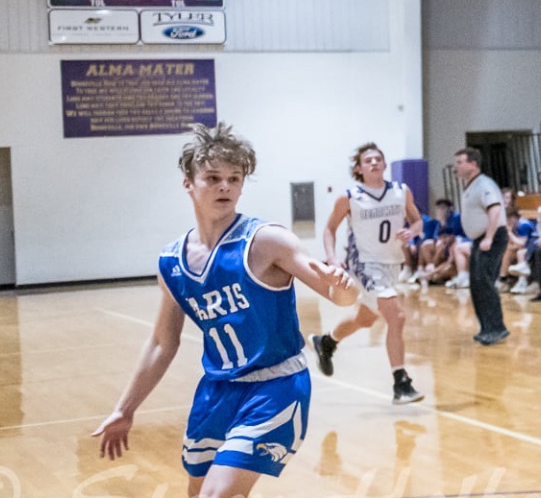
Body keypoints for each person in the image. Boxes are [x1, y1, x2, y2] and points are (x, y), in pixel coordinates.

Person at [94, 124, 360, 492]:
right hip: (217, 390)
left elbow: (339, 296)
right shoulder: (172, 261)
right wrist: (125, 409)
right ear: (189, 183)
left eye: (234, 178)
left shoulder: (267, 241)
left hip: (276, 386)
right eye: (213, 178)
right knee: (197, 491)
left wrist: (344, 286)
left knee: (215, 494)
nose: (225, 187)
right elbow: (162, 343)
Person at [313, 142, 424, 404]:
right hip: (364, 264)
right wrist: (332, 259)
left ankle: (327, 342)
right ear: (359, 169)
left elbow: (418, 220)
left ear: (385, 164)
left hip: (392, 263)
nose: (373, 163)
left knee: (365, 318)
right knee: (396, 317)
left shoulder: (401, 191)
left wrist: (412, 231)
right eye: (368, 160)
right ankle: (401, 383)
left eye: (377, 159)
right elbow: (329, 229)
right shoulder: (349, 197)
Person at [453, 148, 509, 345]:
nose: (456, 167)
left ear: (473, 164)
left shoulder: (484, 184)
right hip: (480, 239)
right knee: (477, 284)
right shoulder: (471, 186)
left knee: (484, 282)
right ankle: (486, 328)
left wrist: (489, 237)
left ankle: (497, 328)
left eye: (459, 162)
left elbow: (495, 210)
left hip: (491, 238)